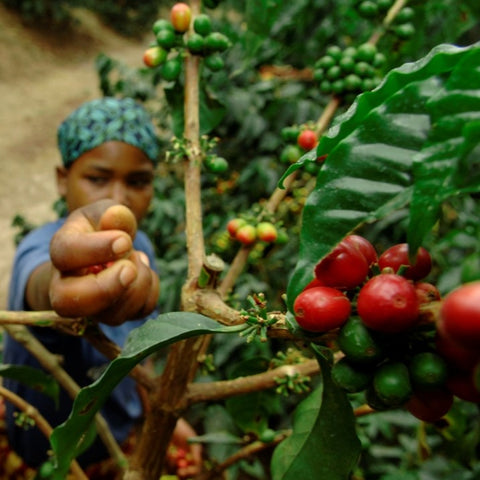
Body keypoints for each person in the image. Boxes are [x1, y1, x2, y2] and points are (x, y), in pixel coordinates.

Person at [2, 97, 201, 479]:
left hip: (117, 444)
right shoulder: (40, 247)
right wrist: (64, 281)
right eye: (98, 178)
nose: (117, 198)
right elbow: (41, 279)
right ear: (63, 179)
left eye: (138, 181)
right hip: (45, 454)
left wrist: (163, 416)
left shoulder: (141, 249)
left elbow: (141, 353)